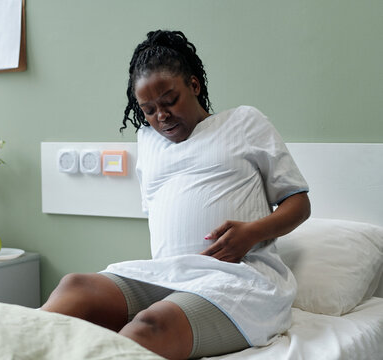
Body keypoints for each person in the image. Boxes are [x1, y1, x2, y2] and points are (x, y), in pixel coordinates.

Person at [42, 30, 311, 360]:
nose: (161, 116)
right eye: (149, 109)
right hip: (168, 273)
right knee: (75, 286)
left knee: (150, 324)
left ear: (194, 86)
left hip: (240, 279)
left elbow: (298, 203)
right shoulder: (148, 143)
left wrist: (250, 233)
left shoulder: (244, 122)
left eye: (170, 101)